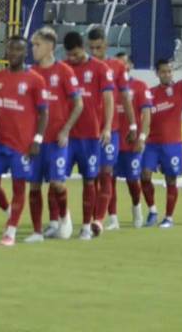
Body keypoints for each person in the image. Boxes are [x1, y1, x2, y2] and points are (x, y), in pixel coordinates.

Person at [0, 36, 49, 247]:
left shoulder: (35, 80)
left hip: (22, 145)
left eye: (17, 50)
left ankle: (10, 231)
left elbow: (44, 113)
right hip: (0, 141)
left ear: (25, 53)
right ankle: (12, 212)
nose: (12, 54)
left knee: (19, 188)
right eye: (10, 50)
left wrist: (37, 139)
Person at [141, 32, 182, 228]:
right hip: (152, 144)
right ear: (157, 73)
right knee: (145, 175)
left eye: (170, 71)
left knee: (171, 180)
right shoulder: (149, 94)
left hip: (172, 144)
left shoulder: (180, 89)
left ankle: (168, 217)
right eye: (164, 72)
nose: (168, 74)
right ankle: (152, 211)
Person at [60, 31, 115, 239]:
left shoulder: (100, 69)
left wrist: (107, 127)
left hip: (91, 136)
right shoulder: (63, 68)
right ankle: (60, 221)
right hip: (66, 134)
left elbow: (108, 99)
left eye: (75, 54)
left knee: (90, 180)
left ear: (82, 48)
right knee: (57, 180)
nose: (72, 59)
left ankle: (85, 226)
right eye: (69, 55)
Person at [31, 26, 83, 240]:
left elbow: (78, 104)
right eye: (33, 45)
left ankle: (64, 218)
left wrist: (66, 130)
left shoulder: (64, 71)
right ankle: (37, 231)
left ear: (50, 46)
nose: (33, 49)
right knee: (34, 185)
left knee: (57, 183)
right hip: (36, 140)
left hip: (57, 140)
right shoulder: (31, 72)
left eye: (37, 45)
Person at [87, 28, 136, 231]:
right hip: (88, 131)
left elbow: (125, 97)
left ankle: (99, 219)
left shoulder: (116, 66)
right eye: (91, 48)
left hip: (111, 130)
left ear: (105, 46)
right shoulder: (84, 67)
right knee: (92, 175)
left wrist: (133, 124)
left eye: (98, 47)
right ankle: (89, 216)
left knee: (106, 172)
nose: (95, 52)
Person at [113, 59, 153, 228]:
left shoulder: (140, 86)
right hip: (112, 140)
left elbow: (146, 115)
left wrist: (142, 138)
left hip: (132, 142)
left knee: (132, 180)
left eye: (124, 63)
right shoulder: (108, 86)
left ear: (129, 65)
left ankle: (137, 209)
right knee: (108, 179)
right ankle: (112, 218)